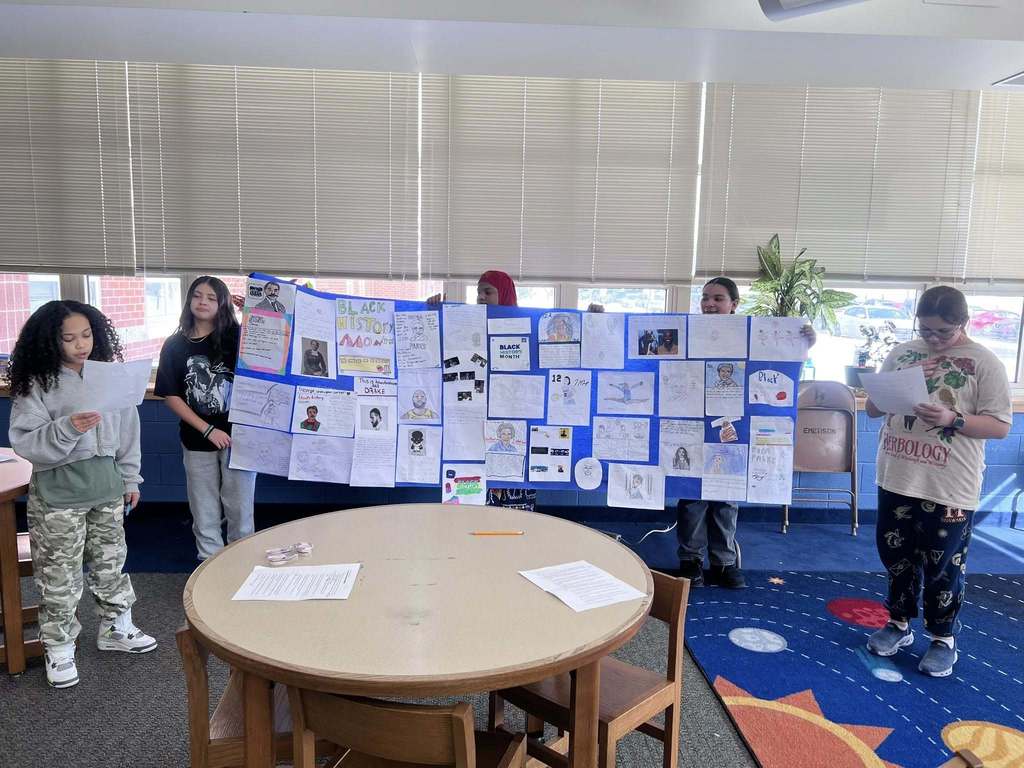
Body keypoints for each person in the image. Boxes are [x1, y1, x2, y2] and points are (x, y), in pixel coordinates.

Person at [6, 301, 156, 688]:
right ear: (49, 342)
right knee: (60, 576)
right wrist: (68, 428)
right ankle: (58, 646)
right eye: (69, 338)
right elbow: (26, 442)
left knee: (110, 565)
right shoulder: (38, 383)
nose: (80, 344)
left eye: (86, 335)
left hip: (106, 489)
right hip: (58, 495)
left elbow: (128, 435)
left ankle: (115, 627)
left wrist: (130, 480)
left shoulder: (109, 377)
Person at [864, 285, 1010, 678]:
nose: (932, 339)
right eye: (925, 331)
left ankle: (943, 638)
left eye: (942, 333)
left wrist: (952, 420)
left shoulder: (985, 362)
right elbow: (874, 409)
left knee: (943, 564)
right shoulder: (903, 352)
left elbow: (999, 426)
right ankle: (898, 623)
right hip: (897, 474)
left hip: (949, 484)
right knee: (895, 557)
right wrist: (902, 378)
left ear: (962, 323)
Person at [676, 276, 816, 589]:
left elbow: (778, 368)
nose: (709, 304)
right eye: (705, 298)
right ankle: (690, 560)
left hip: (733, 426)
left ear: (734, 304)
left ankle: (724, 562)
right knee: (693, 495)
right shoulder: (690, 332)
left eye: (718, 298)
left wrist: (803, 343)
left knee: (727, 496)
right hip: (695, 424)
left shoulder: (753, 336)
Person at [155, 276, 256, 562]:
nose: (203, 302)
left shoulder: (237, 338)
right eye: (197, 295)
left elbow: (274, 345)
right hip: (197, 438)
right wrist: (207, 428)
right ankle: (208, 563)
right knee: (204, 507)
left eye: (212, 297)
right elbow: (170, 394)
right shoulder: (175, 345)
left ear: (223, 303)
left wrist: (253, 311)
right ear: (189, 301)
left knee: (239, 507)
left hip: (239, 438)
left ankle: (241, 561)